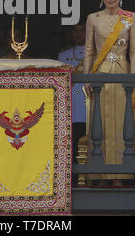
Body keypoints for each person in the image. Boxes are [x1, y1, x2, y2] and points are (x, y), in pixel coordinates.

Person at [83, 0, 135, 186]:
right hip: (100, 73)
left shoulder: (131, 18)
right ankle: (98, 175)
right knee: (100, 121)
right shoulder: (93, 18)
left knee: (121, 121)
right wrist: (88, 76)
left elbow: (134, 50)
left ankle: (120, 176)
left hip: (122, 73)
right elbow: (89, 50)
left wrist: (133, 77)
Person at [58, 22, 86, 163]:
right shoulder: (63, 55)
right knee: (72, 152)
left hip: (89, 110)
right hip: (72, 110)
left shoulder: (98, 55)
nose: (79, 34)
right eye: (75, 31)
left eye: (82, 31)